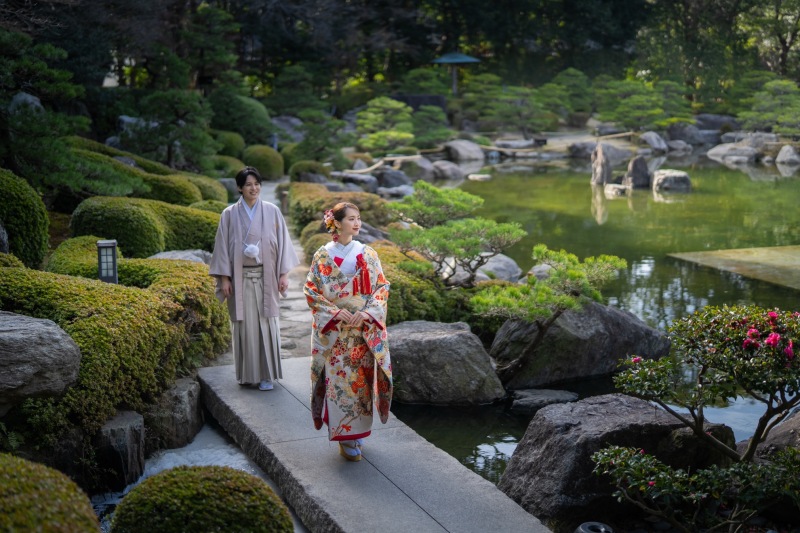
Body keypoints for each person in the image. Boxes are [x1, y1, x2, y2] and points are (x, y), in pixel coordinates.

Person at [304, 202, 393, 462]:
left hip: (361, 331)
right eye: (351, 219)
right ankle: (344, 435)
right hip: (336, 332)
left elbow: (381, 288)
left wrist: (367, 313)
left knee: (361, 385)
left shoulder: (368, 253)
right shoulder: (323, 255)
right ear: (337, 222)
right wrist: (333, 313)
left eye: (358, 218)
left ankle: (358, 434)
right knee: (337, 385)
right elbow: (311, 289)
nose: (357, 223)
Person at [209, 167, 299, 391]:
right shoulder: (229, 214)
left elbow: (282, 242)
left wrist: (283, 274)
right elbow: (221, 247)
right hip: (239, 278)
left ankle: (267, 376)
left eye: (257, 184)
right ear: (239, 188)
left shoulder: (272, 211)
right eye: (248, 184)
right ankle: (248, 375)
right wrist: (224, 279)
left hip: (266, 275)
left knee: (267, 324)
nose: (254, 188)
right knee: (244, 325)